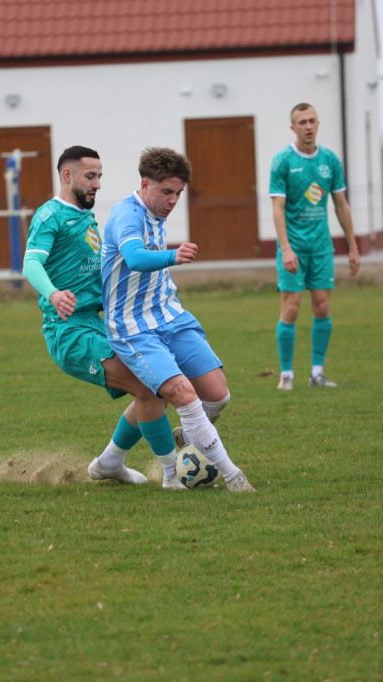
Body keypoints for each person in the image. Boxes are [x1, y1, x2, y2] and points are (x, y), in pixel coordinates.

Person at [23, 146, 187, 490]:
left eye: (99, 176)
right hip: (68, 331)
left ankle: (110, 463)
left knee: (154, 385)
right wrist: (53, 293)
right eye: (90, 176)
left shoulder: (86, 217)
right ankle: (173, 475)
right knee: (148, 386)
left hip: (99, 323)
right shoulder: (50, 215)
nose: (97, 183)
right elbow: (31, 263)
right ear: (67, 175)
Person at [101, 147, 255, 493]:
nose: (172, 200)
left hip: (170, 316)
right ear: (144, 185)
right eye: (166, 192)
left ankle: (121, 458)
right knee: (182, 395)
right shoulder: (127, 215)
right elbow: (134, 258)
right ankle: (232, 476)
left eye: (178, 193)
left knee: (217, 395)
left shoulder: (156, 210)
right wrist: (174, 255)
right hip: (133, 329)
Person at [270, 102, 361, 390]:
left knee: (322, 307)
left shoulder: (330, 160)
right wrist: (286, 248)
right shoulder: (283, 161)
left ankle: (317, 373)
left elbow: (341, 205)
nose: (308, 126)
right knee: (292, 309)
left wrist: (353, 247)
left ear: (318, 123)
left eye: (312, 120)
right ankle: (286, 374)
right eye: (302, 122)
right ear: (293, 127)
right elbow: (277, 208)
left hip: (321, 247)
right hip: (293, 247)